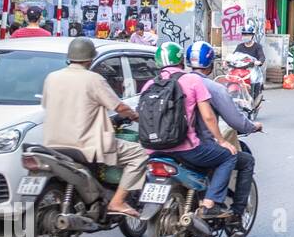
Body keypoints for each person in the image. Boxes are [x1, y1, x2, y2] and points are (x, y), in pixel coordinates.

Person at [40, 38, 149, 217]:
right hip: (85, 143)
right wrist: (136, 117)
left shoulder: (52, 77)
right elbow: (119, 107)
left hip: (53, 143)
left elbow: (47, 104)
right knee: (139, 154)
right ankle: (118, 201)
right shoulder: (93, 79)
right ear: (90, 59)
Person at [145, 42, 239, 220]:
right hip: (186, 149)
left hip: (153, 150)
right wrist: (222, 141)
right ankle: (210, 204)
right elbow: (209, 117)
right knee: (228, 156)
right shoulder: (192, 81)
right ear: (182, 61)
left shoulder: (149, 84)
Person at [185, 42, 262, 218]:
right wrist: (252, 126)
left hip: (171, 143)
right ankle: (234, 215)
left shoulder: (180, 81)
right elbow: (230, 120)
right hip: (197, 146)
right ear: (211, 64)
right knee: (240, 158)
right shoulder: (212, 88)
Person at [232, 25, 266, 102]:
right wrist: (228, 61)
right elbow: (234, 56)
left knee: (254, 80)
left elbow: (262, 56)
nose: (246, 36)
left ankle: (255, 99)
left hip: (252, 70)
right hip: (241, 70)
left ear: (252, 35)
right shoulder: (240, 46)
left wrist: (259, 61)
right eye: (244, 34)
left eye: (248, 34)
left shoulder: (257, 46)